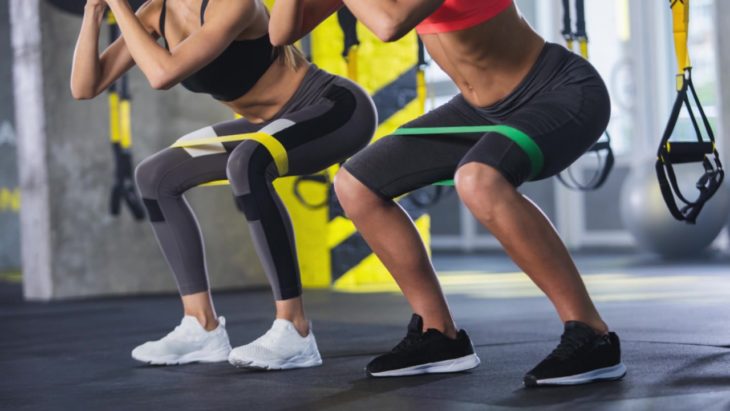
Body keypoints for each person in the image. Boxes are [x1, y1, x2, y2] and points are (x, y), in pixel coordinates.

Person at [271, 0, 626, 386]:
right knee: (355, 184)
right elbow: (281, 33)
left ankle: (592, 334)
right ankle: (438, 334)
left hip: (557, 91)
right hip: (477, 111)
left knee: (478, 180)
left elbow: (390, 25)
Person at [71, 0, 376, 369]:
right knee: (155, 176)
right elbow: (85, 86)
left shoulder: (234, 4)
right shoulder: (155, 13)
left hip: (334, 109)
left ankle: (294, 329)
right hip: (264, 127)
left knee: (247, 162)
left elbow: (162, 74)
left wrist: (118, 5)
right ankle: (201, 326)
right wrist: (93, 12)